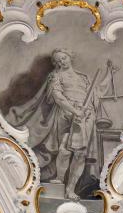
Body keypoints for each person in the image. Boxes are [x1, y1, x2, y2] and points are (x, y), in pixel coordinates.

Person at [9, 49, 102, 201]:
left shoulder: (83, 78)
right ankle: (60, 178)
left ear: (70, 57)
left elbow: (96, 94)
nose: (61, 62)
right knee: (65, 149)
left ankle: (70, 190)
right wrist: (74, 111)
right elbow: (58, 97)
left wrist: (108, 76)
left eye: (63, 58)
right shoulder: (56, 76)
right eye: (58, 61)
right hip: (66, 113)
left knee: (80, 153)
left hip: (86, 115)